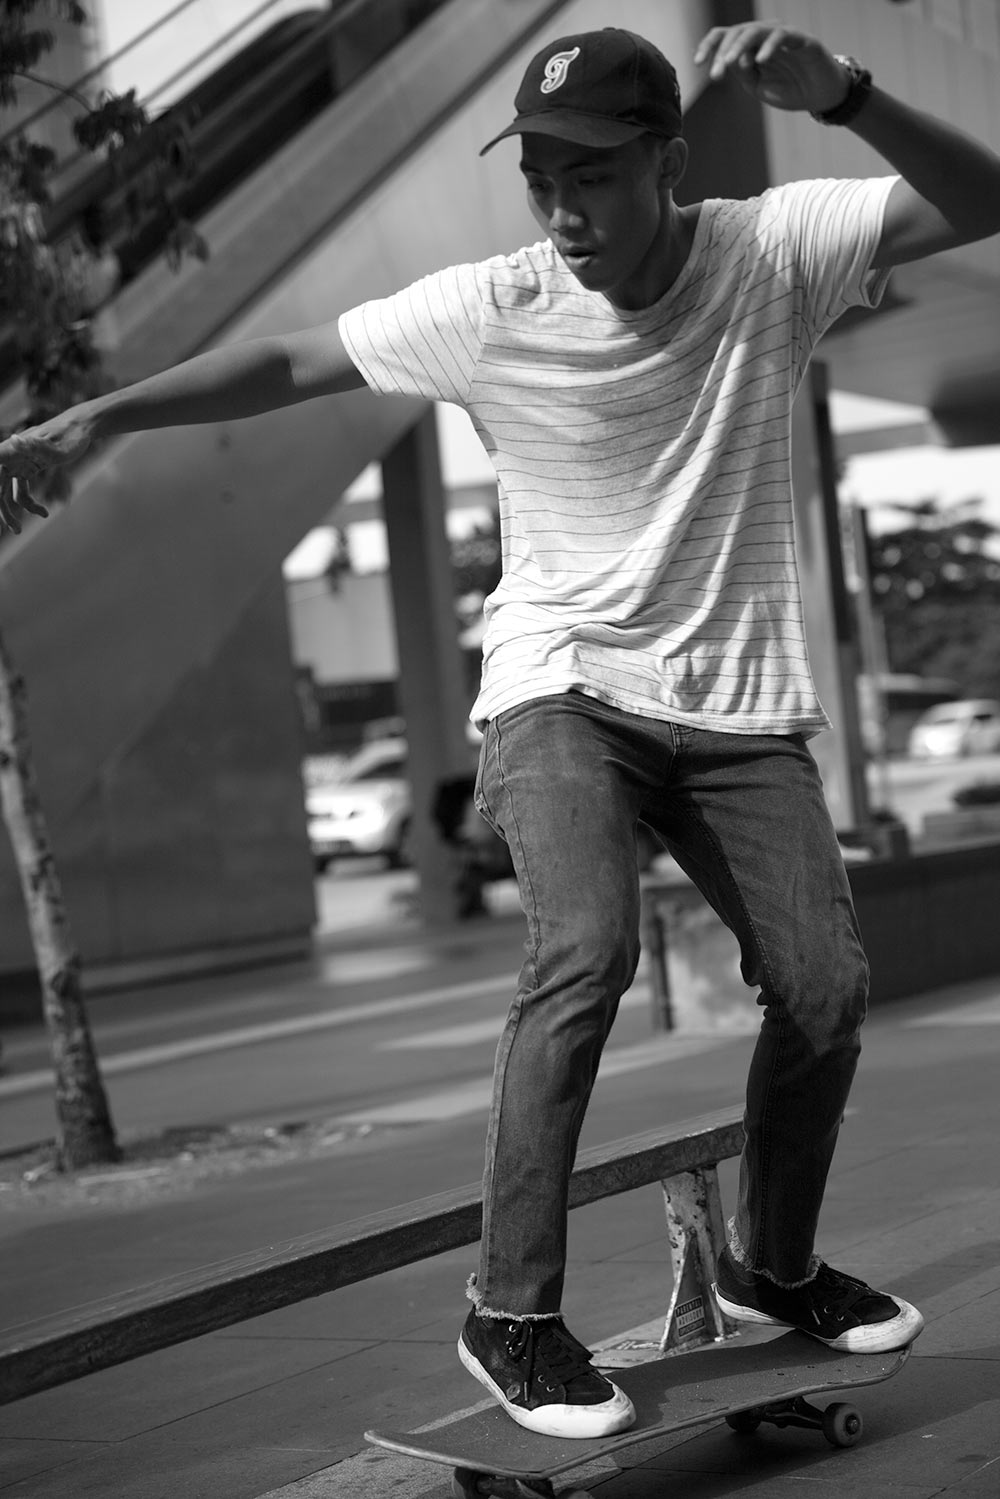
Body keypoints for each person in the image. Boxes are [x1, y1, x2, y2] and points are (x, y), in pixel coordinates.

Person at [3, 18, 999, 1442]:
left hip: (731, 710)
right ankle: (509, 1312)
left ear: (666, 160)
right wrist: (103, 418)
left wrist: (842, 97)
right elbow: (294, 362)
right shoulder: (495, 303)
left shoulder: (773, 251)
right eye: (539, 177)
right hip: (561, 691)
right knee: (585, 944)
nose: (562, 211)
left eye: (592, 176)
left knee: (827, 982)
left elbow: (983, 198)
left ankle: (775, 1267)